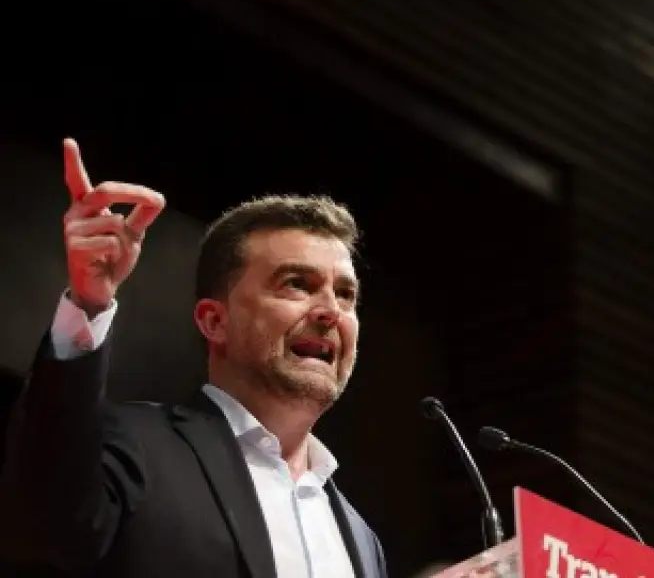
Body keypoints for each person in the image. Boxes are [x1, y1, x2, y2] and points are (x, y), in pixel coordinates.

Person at [0, 138, 388, 577]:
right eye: (296, 284)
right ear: (214, 322)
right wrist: (87, 304)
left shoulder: (362, 540)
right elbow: (44, 528)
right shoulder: (136, 445)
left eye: (346, 294)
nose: (330, 311)